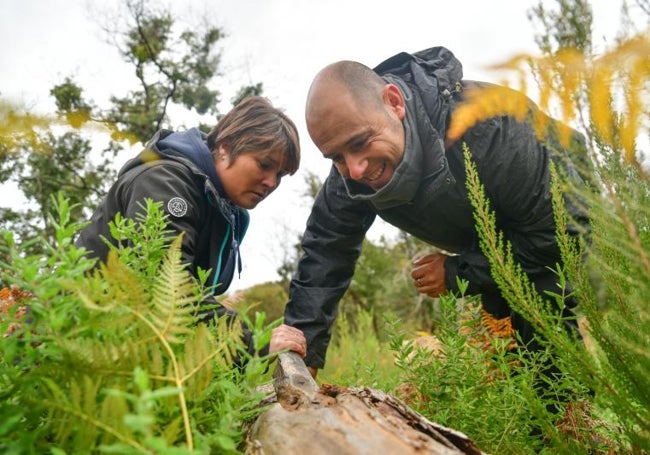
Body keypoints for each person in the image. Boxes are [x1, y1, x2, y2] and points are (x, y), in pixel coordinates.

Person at [284, 46, 590, 386]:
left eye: (360, 143)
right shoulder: (351, 169)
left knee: (543, 330)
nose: (354, 170)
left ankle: (568, 422)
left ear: (394, 103)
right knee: (502, 356)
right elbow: (326, 251)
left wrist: (457, 271)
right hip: (489, 232)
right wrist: (303, 353)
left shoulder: (492, 131)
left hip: (563, 206)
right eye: (336, 157)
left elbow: (552, 241)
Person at [76, 96, 307, 359]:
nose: (271, 182)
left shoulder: (223, 207)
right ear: (224, 147)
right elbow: (168, 287)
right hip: (77, 341)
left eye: (280, 174)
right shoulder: (164, 184)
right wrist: (256, 344)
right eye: (264, 165)